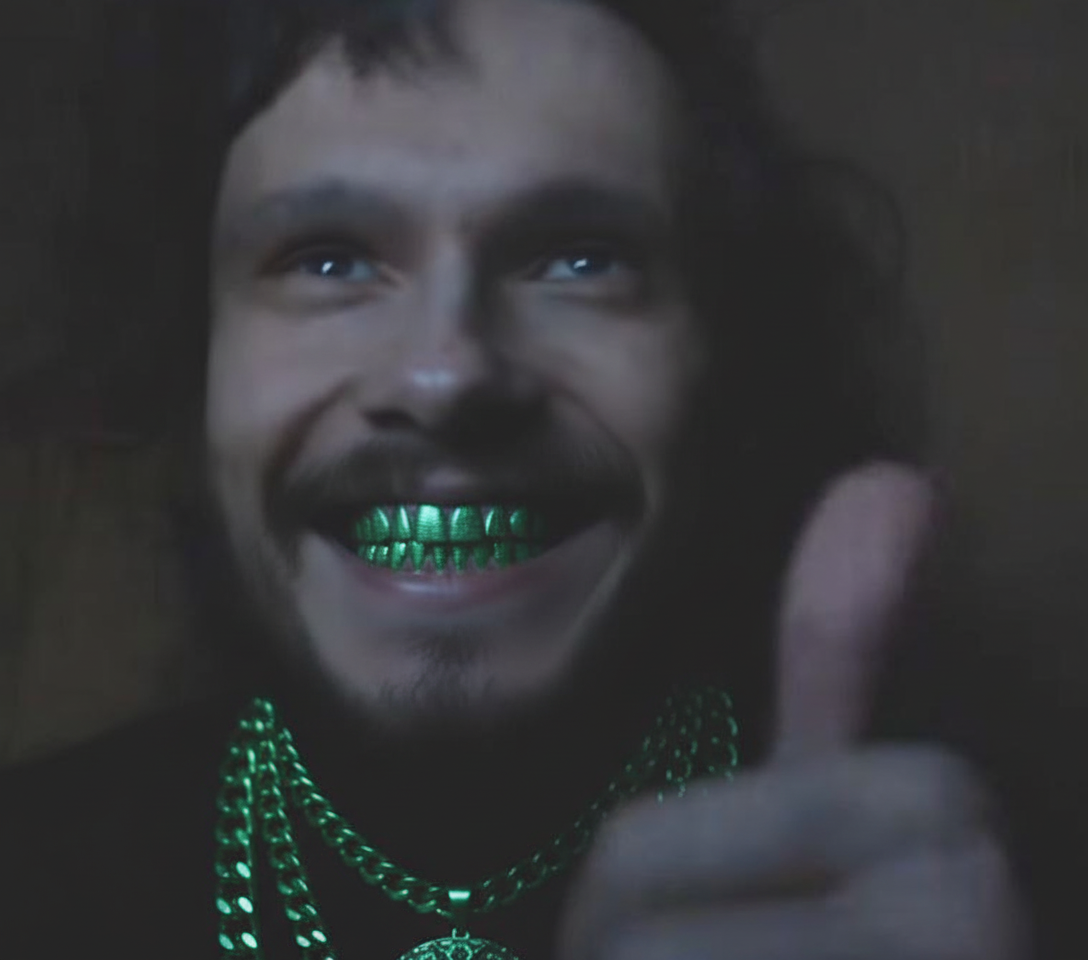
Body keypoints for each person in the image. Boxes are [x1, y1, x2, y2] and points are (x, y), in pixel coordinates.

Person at [0, 0, 1044, 958]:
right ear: (191, 367)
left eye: (580, 260)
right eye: (328, 260)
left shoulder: (986, 875)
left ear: (728, 368)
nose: (447, 374)